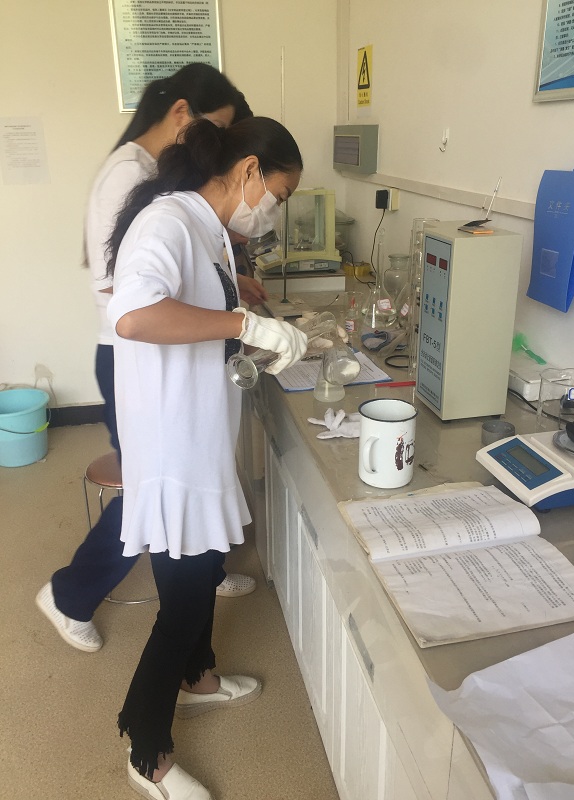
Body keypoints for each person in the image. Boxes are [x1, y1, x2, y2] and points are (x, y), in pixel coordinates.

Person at [105, 115, 306, 799]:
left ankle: (200, 677)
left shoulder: (211, 229)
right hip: (173, 446)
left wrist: (242, 315)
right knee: (185, 601)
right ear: (249, 171)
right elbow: (135, 315)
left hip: (200, 434)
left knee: (203, 570)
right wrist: (243, 322)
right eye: (278, 194)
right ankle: (147, 751)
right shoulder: (168, 222)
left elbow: (197, 314)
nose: (273, 210)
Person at [36, 64, 263, 655]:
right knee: (154, 487)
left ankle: (205, 569)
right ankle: (69, 594)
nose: (217, 148)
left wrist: (228, 282)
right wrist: (228, 314)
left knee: (190, 474)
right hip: (134, 358)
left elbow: (181, 266)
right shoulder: (131, 175)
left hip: (156, 352)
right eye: (217, 130)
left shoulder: (153, 173)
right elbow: (131, 292)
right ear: (183, 113)